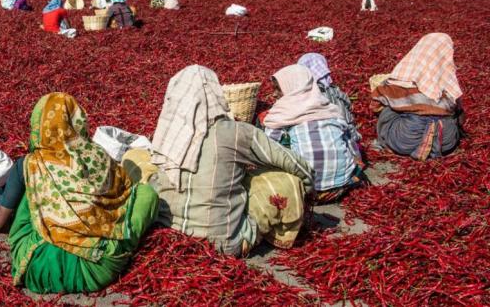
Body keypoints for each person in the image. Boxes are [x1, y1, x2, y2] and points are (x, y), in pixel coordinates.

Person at [0, 92, 158, 294]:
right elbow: (124, 191)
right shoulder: (98, 154)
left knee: (32, 186)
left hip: (45, 267)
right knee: (146, 194)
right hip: (102, 267)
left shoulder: (30, 164)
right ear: (79, 121)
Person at [150, 65, 315, 256]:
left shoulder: (166, 132)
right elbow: (290, 161)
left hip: (168, 234)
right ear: (214, 93)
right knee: (285, 180)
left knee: (146, 167)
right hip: (222, 245)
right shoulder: (234, 132)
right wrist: (309, 186)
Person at [262, 64, 363, 204]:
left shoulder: (283, 113)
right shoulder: (331, 109)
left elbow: (266, 148)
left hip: (304, 191)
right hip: (341, 186)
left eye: (278, 89)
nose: (274, 94)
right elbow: (352, 145)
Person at [371, 33, 464, 160]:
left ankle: (385, 142)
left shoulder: (403, 79)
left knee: (387, 107)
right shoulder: (449, 83)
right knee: (451, 115)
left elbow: (375, 104)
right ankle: (431, 145)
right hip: (446, 142)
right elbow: (460, 115)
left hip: (404, 140)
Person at [297, 53, 362, 150]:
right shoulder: (337, 92)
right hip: (347, 149)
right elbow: (348, 119)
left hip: (311, 150)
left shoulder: (299, 96)